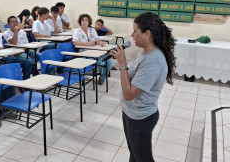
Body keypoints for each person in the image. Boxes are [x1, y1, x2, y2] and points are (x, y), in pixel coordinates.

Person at [109, 12, 176, 162]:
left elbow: (129, 94)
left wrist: (122, 64)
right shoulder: (145, 52)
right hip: (131, 113)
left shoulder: (153, 61)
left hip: (141, 118)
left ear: (147, 34)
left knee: (143, 158)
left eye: (135, 30)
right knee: (134, 154)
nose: (132, 35)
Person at [72, 14, 112, 85]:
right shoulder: (77, 31)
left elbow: (97, 39)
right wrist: (86, 44)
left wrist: (100, 43)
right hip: (84, 53)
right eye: (82, 20)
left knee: (109, 62)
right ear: (80, 22)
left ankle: (102, 78)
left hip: (94, 51)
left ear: (89, 22)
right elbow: (75, 42)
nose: (84, 22)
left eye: (86, 20)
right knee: (100, 62)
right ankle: (101, 73)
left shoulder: (92, 30)